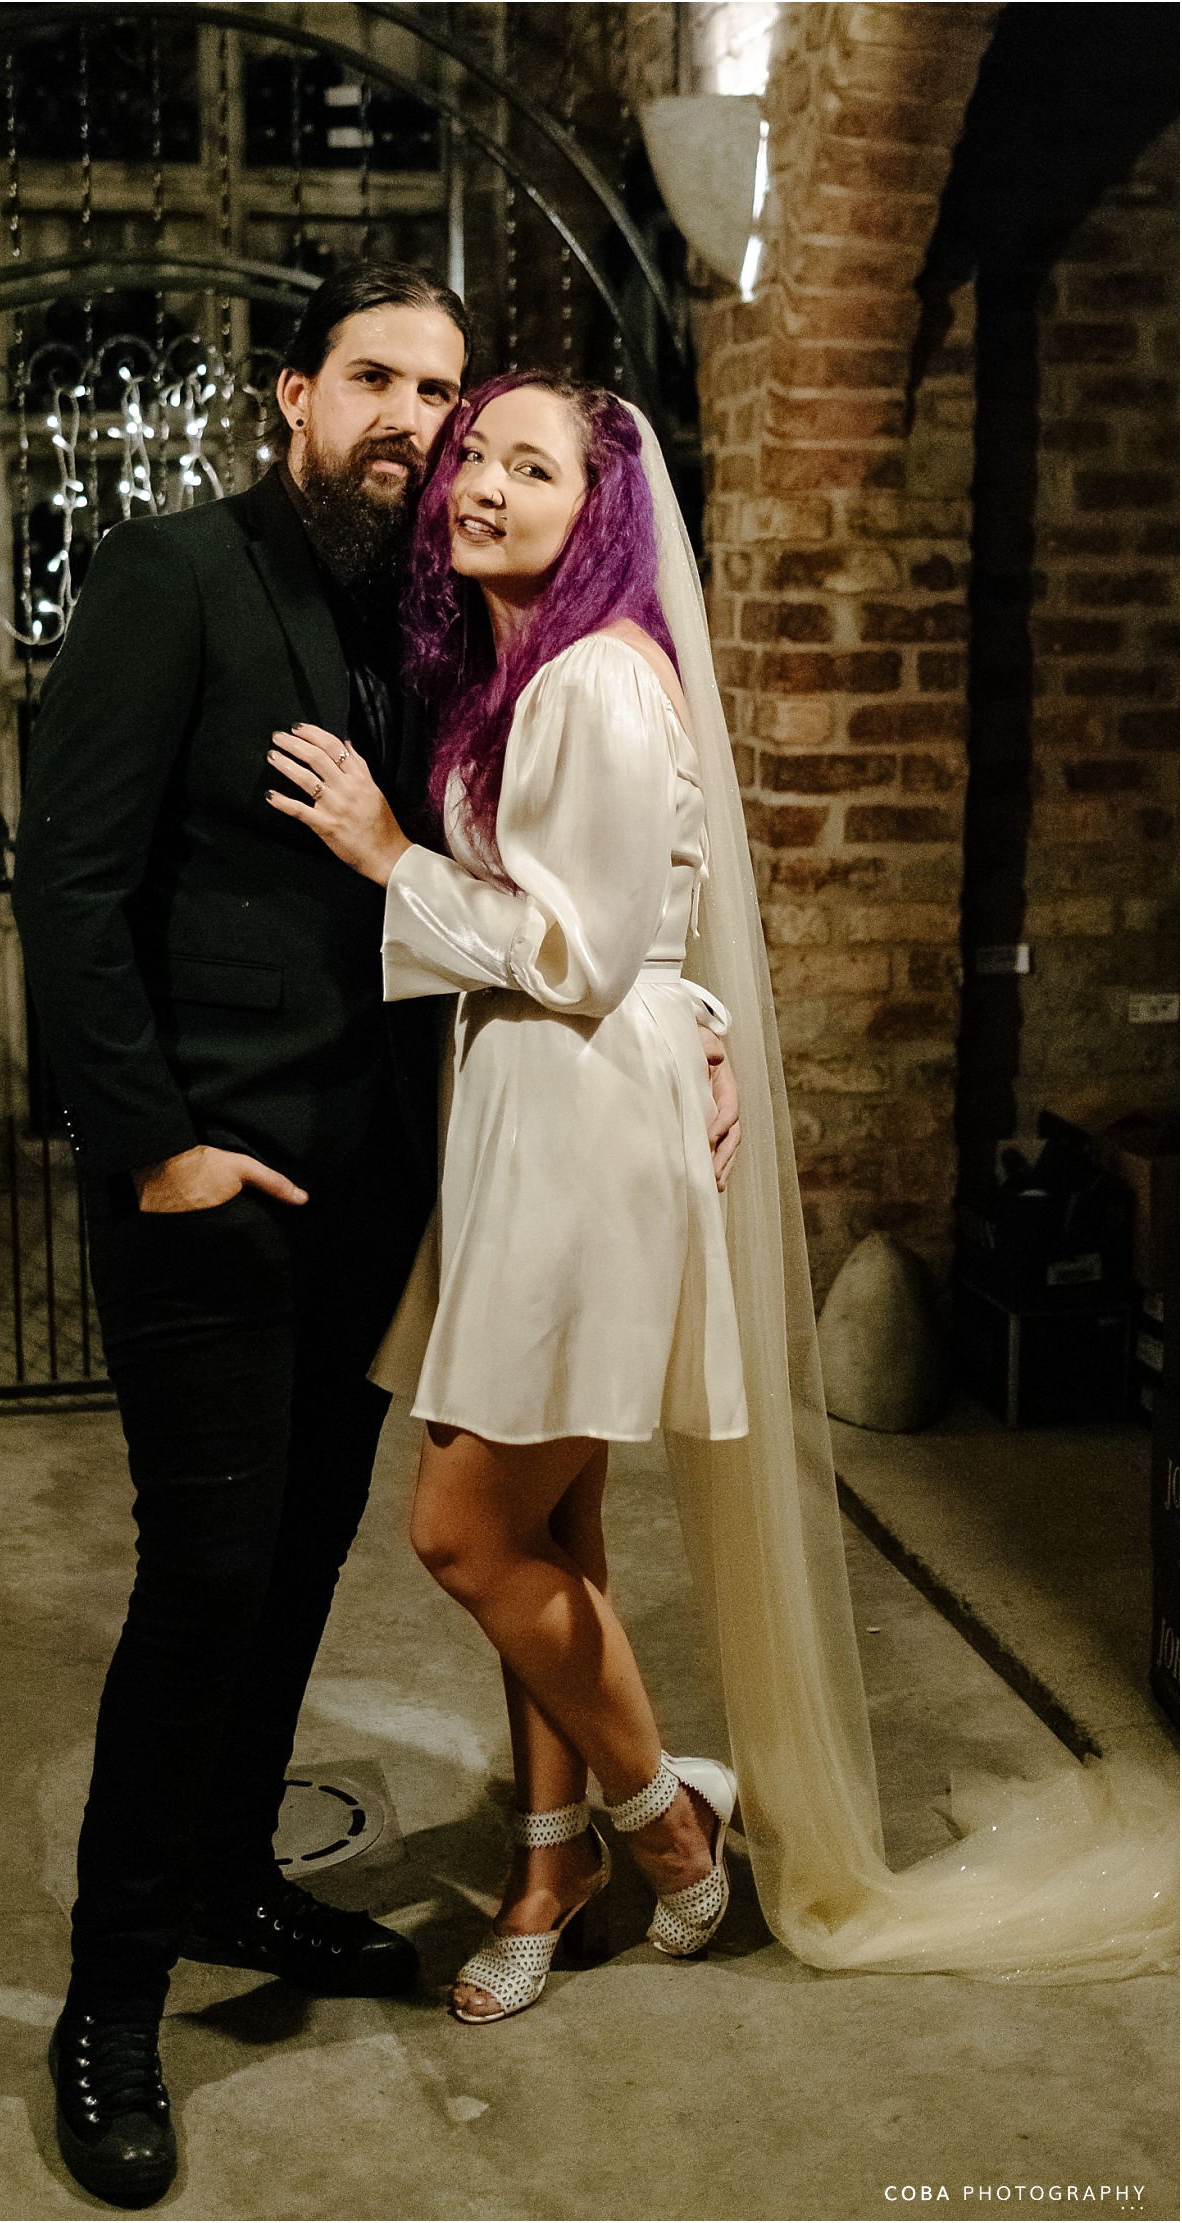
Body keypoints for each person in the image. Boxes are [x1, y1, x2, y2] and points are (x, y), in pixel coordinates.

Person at [268, 370, 1178, 2024]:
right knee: (549, 1528)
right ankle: (551, 1861)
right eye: (474, 453)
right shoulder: (533, 666)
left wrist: (386, 853)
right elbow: (641, 930)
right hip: (537, 1121)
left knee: (462, 1531)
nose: (476, 481)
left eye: (524, 467)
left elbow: (572, 947)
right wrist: (688, 1014)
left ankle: (662, 1830)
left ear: (596, 510)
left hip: (581, 1151)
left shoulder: (597, 688)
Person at [12, 263, 469, 2210]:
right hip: (212, 1177)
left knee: (292, 1567)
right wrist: (155, 1149)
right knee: (202, 1571)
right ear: (295, 389)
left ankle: (226, 1877)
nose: (409, 418)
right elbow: (72, 881)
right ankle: (110, 1997)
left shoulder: (438, 624)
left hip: (373, 1181)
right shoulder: (172, 575)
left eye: (441, 391)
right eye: (375, 375)